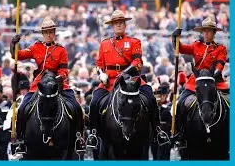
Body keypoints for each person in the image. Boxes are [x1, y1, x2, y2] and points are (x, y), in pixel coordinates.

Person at [87, 10, 163, 148]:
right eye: (116, 23)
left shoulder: (134, 42)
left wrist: (125, 73)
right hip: (109, 80)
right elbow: (99, 64)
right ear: (112, 26)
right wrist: (100, 74)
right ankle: (93, 133)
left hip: (131, 79)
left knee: (150, 97)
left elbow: (138, 62)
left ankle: (158, 131)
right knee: (94, 101)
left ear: (125, 25)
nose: (119, 25)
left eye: (121, 23)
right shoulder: (104, 44)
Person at [10, 17, 84, 153]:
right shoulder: (36, 47)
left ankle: (79, 137)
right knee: (22, 109)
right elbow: (18, 56)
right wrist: (13, 45)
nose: (49, 34)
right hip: (40, 83)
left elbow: (64, 71)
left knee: (76, 106)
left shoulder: (61, 50)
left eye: (51, 32)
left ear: (54, 32)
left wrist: (57, 79)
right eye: (46, 32)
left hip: (58, 84)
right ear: (42, 33)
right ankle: (20, 140)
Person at [171, 16, 229, 145]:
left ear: (214, 33)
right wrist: (175, 38)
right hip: (195, 82)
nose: (207, 33)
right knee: (180, 103)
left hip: (215, 81)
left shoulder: (221, 48)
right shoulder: (196, 45)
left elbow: (220, 63)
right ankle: (181, 133)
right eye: (205, 30)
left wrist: (215, 73)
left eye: (209, 31)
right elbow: (180, 48)